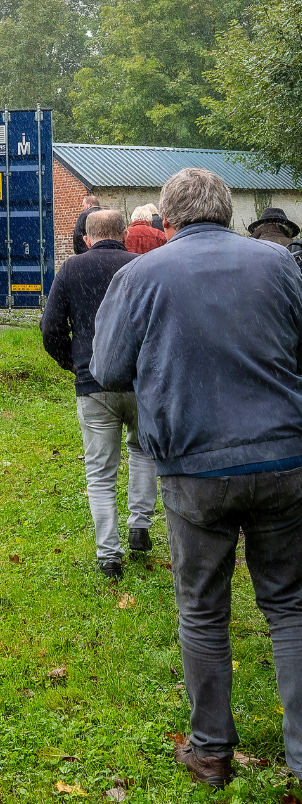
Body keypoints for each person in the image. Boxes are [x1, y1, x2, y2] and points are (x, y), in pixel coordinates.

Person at [91, 167, 302, 789]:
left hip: (192, 466)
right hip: (284, 460)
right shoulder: (280, 265)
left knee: (203, 611)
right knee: (291, 608)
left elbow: (107, 369)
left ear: (167, 217)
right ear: (228, 209)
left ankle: (210, 750)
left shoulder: (138, 276)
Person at [41, 209, 158, 580]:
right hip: (138, 382)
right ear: (123, 234)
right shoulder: (140, 266)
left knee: (100, 472)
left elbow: (50, 328)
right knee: (142, 452)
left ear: (87, 238)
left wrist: (74, 363)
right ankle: (140, 527)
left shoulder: (71, 270)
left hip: (93, 385)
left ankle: (109, 556)